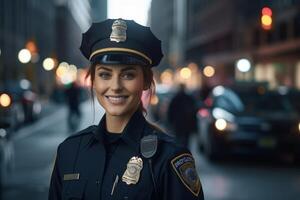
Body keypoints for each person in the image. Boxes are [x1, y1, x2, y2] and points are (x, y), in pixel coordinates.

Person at [49, 19, 204, 200]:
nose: (115, 86)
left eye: (128, 74)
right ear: (93, 81)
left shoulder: (170, 158)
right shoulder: (69, 151)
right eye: (105, 74)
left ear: (145, 82)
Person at [167, 83, 198, 147]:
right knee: (186, 141)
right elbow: (194, 112)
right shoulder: (188, 98)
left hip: (179, 124)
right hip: (186, 124)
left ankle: (181, 150)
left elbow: (171, 111)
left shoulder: (176, 98)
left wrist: (171, 122)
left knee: (179, 140)